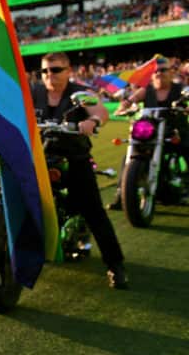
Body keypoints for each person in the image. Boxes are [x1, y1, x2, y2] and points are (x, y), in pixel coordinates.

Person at [32, 52, 128, 289]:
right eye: (45, 71)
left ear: (68, 71)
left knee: (93, 210)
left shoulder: (80, 93)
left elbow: (101, 113)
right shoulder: (33, 93)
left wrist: (92, 122)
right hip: (39, 158)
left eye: (55, 70)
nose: (49, 75)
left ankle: (115, 266)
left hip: (73, 157)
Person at [109, 56, 188, 208]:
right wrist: (124, 106)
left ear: (171, 72)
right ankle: (121, 194)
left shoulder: (180, 89)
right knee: (128, 156)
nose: (159, 73)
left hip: (175, 131)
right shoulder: (146, 90)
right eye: (156, 71)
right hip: (150, 131)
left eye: (163, 70)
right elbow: (131, 100)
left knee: (186, 149)